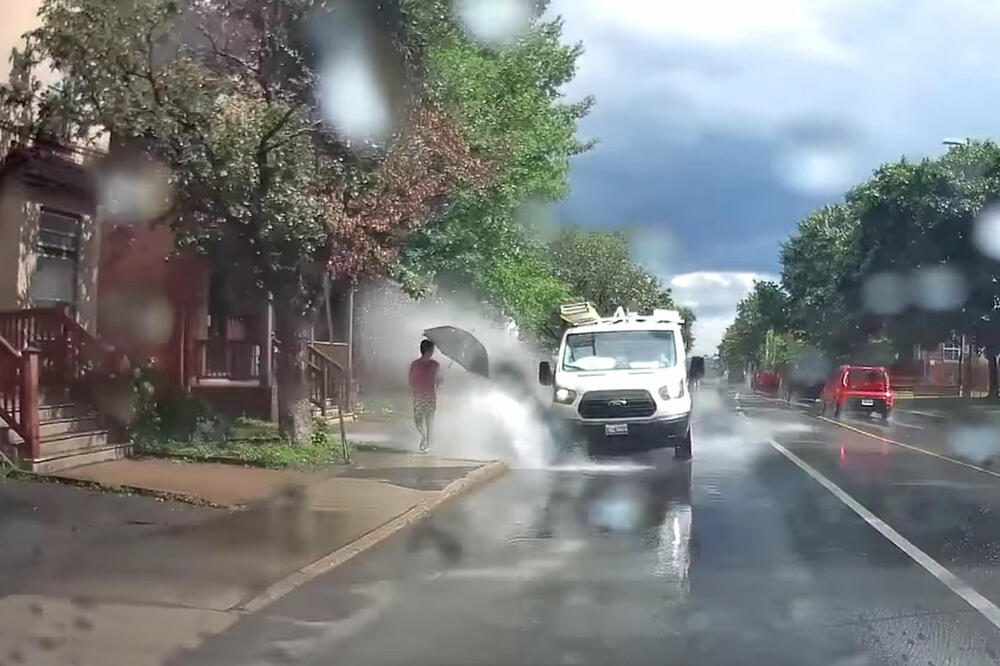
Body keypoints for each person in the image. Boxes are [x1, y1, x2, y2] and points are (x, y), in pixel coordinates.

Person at [409, 339, 440, 453]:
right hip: (428, 396)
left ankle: (426, 440)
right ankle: (426, 440)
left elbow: (411, 380)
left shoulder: (415, 364)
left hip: (420, 396)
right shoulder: (435, 365)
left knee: (422, 421)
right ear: (429, 351)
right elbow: (438, 380)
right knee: (428, 421)